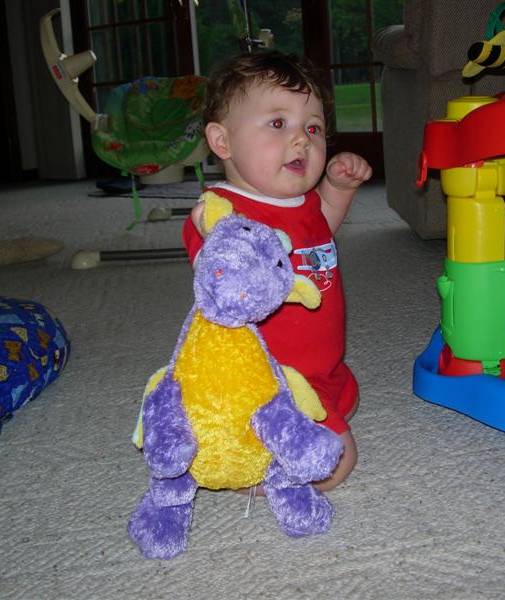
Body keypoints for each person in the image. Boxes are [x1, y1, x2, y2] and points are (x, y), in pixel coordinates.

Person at [182, 50, 372, 491]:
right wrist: (221, 240)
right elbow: (221, 281)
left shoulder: (302, 201)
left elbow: (319, 229)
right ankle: (255, 471)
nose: (302, 139)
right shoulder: (222, 214)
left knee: (348, 399)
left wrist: (337, 188)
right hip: (266, 382)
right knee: (336, 462)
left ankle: (319, 394)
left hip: (321, 369)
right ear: (223, 142)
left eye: (313, 127)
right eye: (278, 123)